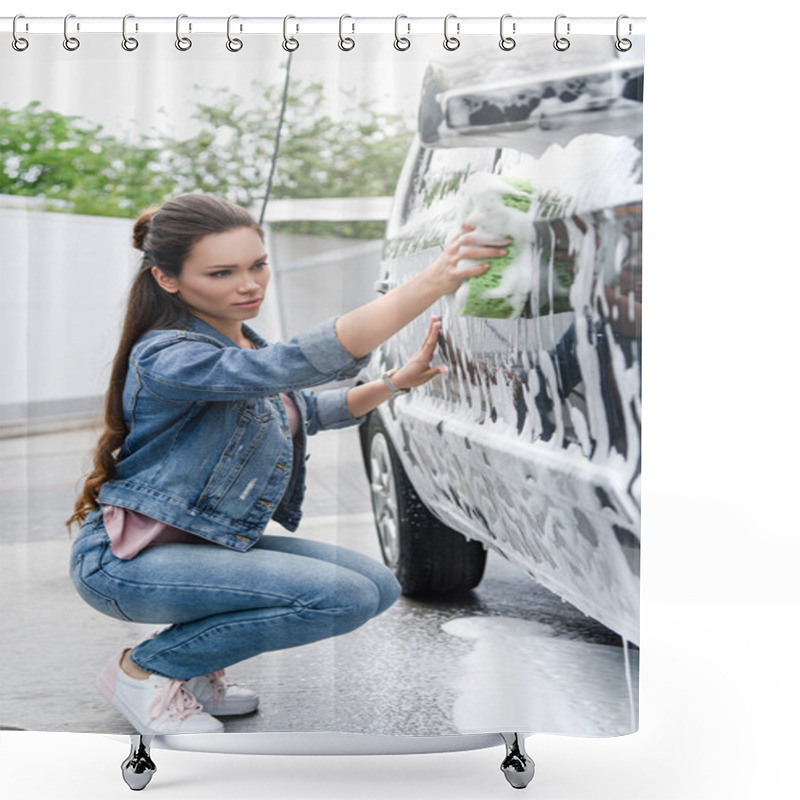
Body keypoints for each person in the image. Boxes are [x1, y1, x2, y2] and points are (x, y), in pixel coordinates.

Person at [66, 193, 506, 735]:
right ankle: (148, 670)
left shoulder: (241, 344)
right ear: (168, 279)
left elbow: (301, 410)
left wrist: (393, 383)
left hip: (191, 550)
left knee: (376, 585)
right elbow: (293, 365)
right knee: (338, 598)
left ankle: (192, 670)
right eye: (223, 272)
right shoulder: (168, 356)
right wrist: (436, 278)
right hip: (126, 565)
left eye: (258, 264)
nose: (249, 284)